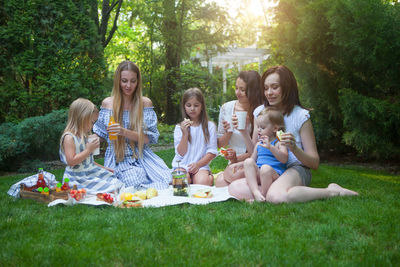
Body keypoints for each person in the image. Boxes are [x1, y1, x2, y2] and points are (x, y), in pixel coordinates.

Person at [228, 65, 358, 203]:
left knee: (275, 197)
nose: (269, 92)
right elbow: (256, 149)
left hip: (295, 168)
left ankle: (332, 191)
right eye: (266, 88)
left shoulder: (301, 116)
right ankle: (269, 192)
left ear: (287, 87)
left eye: (275, 87)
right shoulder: (260, 112)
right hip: (267, 169)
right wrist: (243, 133)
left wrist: (294, 148)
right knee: (234, 187)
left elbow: (314, 163)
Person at [93, 61, 171, 189]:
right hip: (119, 156)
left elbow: (147, 139)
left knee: (168, 181)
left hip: (142, 154)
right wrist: (83, 143)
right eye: (124, 81)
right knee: (134, 182)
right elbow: (100, 134)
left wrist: (123, 131)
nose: (128, 85)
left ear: (138, 81)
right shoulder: (108, 104)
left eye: (133, 81)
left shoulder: (145, 103)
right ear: (118, 80)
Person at [60, 98, 123, 193]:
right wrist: (88, 150)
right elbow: (71, 161)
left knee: (117, 182)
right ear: (82, 118)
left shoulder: (84, 136)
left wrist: (105, 169)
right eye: (92, 122)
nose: (92, 126)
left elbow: (88, 161)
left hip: (90, 171)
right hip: (78, 177)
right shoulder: (69, 138)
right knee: (111, 189)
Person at [215, 70, 265, 187]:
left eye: (243, 90)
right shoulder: (226, 108)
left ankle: (251, 183)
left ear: (253, 91)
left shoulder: (261, 111)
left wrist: (244, 131)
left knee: (228, 179)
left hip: (254, 160)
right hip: (234, 161)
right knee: (220, 182)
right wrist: (228, 133)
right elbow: (220, 145)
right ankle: (248, 184)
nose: (238, 92)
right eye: (236, 88)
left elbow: (257, 151)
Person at [172, 88, 218, 186]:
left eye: (196, 105)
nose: (192, 108)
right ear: (184, 107)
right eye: (189, 105)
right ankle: (188, 179)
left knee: (202, 183)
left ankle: (205, 177)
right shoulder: (179, 127)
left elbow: (212, 152)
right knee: (180, 182)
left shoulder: (210, 126)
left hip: (201, 165)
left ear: (202, 106)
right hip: (182, 165)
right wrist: (185, 134)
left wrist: (198, 165)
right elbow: (180, 153)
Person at [243, 107, 288, 201]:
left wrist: (270, 147)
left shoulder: (279, 142)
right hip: (260, 174)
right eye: (258, 127)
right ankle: (256, 192)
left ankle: (263, 195)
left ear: (275, 128)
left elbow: (284, 159)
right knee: (248, 161)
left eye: (262, 127)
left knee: (265, 168)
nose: (259, 130)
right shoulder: (259, 144)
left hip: (274, 175)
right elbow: (252, 161)